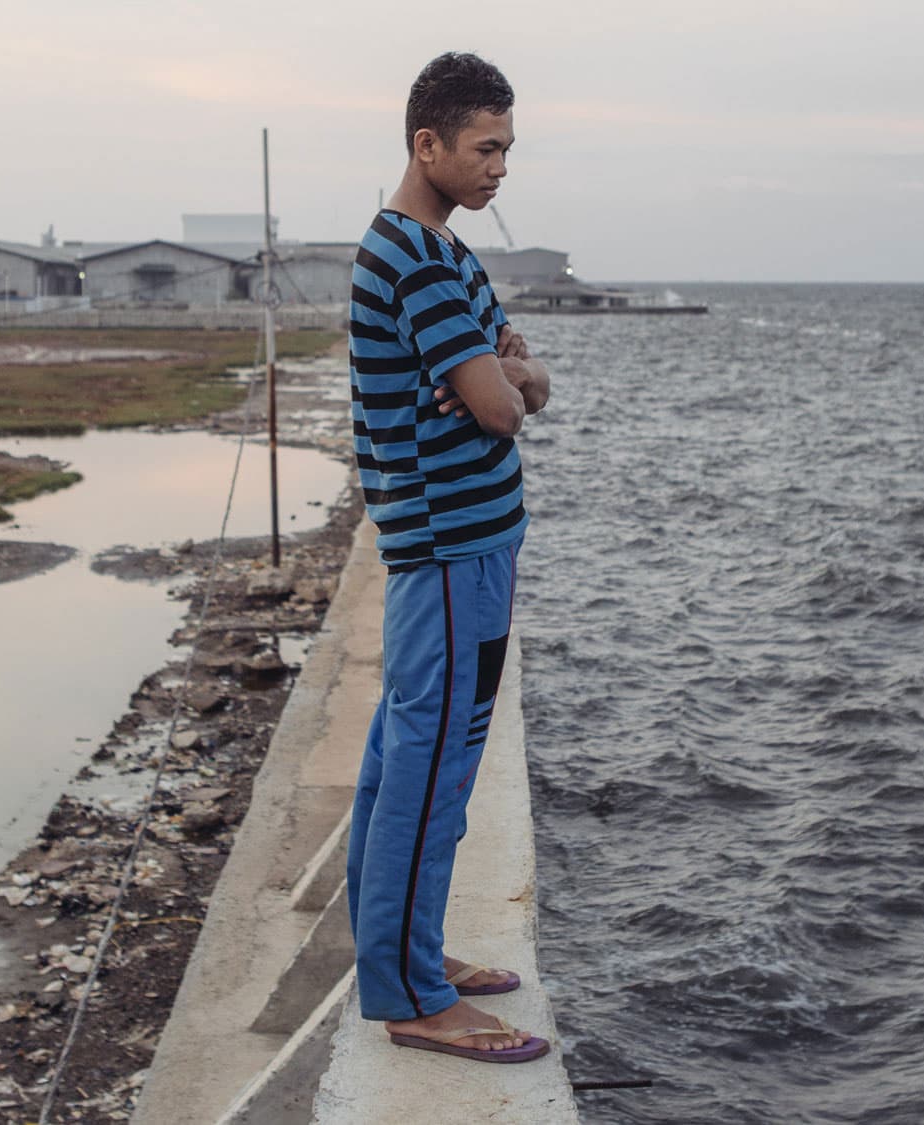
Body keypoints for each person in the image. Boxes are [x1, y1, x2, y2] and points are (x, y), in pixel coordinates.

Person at [345, 50, 553, 1064]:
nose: (499, 168)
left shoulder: (442, 253)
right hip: (447, 554)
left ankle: (408, 954)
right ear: (426, 144)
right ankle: (410, 995)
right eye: (485, 148)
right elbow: (505, 408)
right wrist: (499, 385)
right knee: (427, 769)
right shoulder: (419, 262)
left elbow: (524, 381)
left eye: (507, 149)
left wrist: (504, 378)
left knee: (413, 759)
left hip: (468, 551)